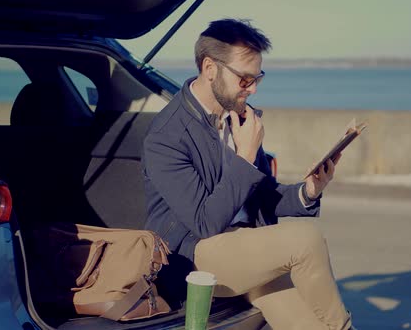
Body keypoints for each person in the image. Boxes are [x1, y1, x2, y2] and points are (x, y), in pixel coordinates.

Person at [143, 18, 354, 330]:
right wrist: (244, 155)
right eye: (244, 79)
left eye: (258, 78)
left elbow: (264, 196)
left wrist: (307, 191)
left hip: (245, 248)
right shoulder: (166, 136)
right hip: (190, 258)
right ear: (210, 68)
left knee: (306, 323)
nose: (253, 89)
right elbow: (206, 223)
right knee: (305, 239)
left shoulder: (240, 118)